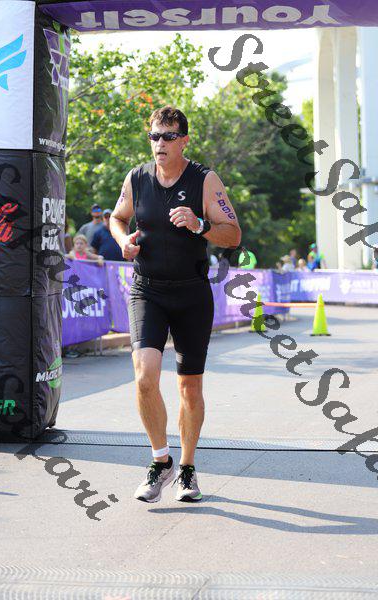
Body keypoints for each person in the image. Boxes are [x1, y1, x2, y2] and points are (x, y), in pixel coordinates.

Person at [110, 105, 241, 503]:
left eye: (168, 136)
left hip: (191, 293)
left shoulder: (205, 180)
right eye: (154, 136)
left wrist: (200, 225)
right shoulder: (137, 178)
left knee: (190, 387)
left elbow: (233, 234)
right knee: (144, 376)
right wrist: (123, 240)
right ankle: (160, 460)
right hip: (147, 290)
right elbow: (118, 217)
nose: (160, 143)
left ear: (184, 140)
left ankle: (186, 468)